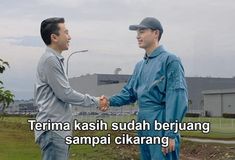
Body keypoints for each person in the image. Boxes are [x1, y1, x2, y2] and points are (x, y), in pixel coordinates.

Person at [100, 17, 188, 160]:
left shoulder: (170, 61)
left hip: (160, 121)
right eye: (137, 32)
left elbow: (176, 96)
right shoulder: (140, 66)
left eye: (142, 31)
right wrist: (109, 101)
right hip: (143, 121)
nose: (137, 36)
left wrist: (171, 133)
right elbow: (129, 93)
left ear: (156, 33)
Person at [34, 17, 107, 160]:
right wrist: (97, 101)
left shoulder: (54, 59)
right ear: (54, 37)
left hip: (58, 131)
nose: (70, 37)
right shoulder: (50, 60)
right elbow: (65, 94)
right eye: (66, 32)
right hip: (54, 130)